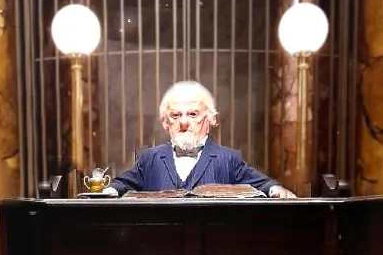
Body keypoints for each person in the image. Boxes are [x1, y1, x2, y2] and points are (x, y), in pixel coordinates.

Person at [103, 81, 295, 198]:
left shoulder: (229, 159)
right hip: (160, 252)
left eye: (193, 114)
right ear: (164, 122)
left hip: (211, 253)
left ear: (211, 119)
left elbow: (261, 183)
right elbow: (123, 183)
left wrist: (275, 189)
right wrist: (108, 192)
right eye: (176, 115)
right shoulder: (149, 159)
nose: (184, 122)